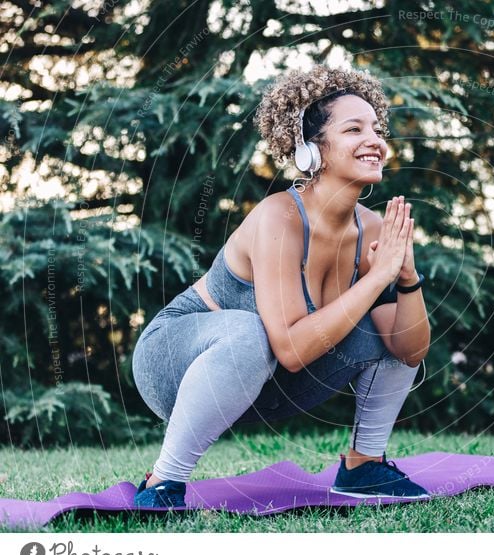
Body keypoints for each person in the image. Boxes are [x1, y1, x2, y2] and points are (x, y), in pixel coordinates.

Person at [131, 64, 431, 508]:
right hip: (174, 366)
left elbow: (410, 351)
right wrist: (379, 277)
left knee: (392, 330)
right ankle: (163, 482)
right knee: (252, 334)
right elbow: (290, 348)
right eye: (354, 129)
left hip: (263, 383)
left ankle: (364, 466)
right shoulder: (279, 217)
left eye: (377, 128)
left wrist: (405, 279)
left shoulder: (373, 229)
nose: (375, 141)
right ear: (313, 152)